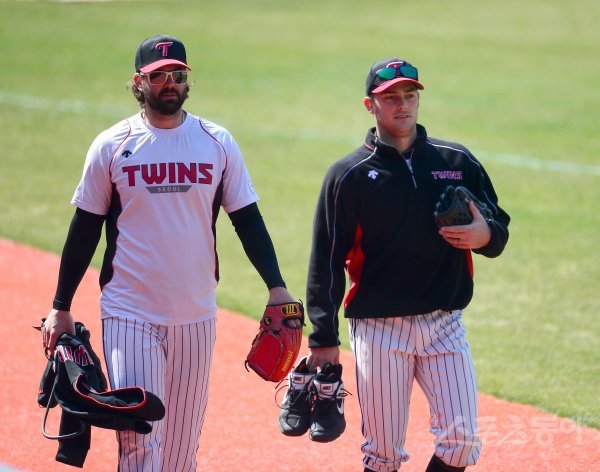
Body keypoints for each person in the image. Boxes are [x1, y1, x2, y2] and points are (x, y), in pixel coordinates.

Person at [41, 34, 296, 471]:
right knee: (138, 439)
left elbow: (247, 220)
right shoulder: (113, 145)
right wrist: (60, 306)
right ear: (138, 82)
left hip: (196, 314)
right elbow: (84, 229)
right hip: (129, 313)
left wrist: (276, 286)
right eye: (158, 76)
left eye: (177, 75)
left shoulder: (216, 142)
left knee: (180, 453)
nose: (170, 84)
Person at [305, 57, 510, 472]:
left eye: (410, 95)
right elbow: (325, 261)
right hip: (379, 329)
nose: (402, 104)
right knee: (383, 455)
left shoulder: (456, 162)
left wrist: (484, 235)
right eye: (391, 97)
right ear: (370, 105)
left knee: (461, 443)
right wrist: (323, 336)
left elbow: (498, 228)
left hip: (444, 324)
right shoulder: (348, 175)